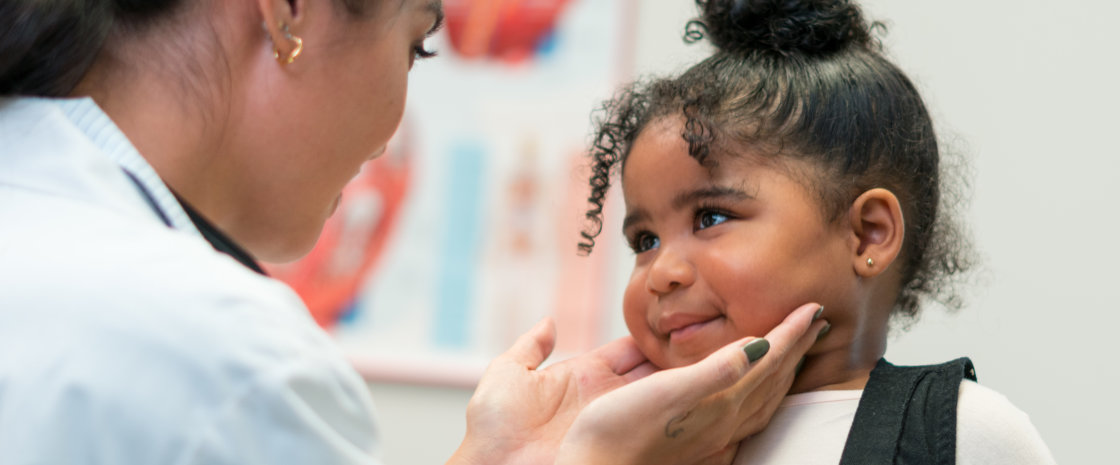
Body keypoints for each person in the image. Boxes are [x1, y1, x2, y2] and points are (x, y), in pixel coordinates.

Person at [0, 0, 828, 464]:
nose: (666, 273)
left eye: (713, 218)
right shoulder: (221, 358)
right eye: (417, 45)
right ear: (289, 13)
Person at [577, 0, 1057, 463]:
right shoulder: (634, 445)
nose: (662, 273)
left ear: (868, 235)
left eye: (711, 218)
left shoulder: (956, 432)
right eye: (645, 241)